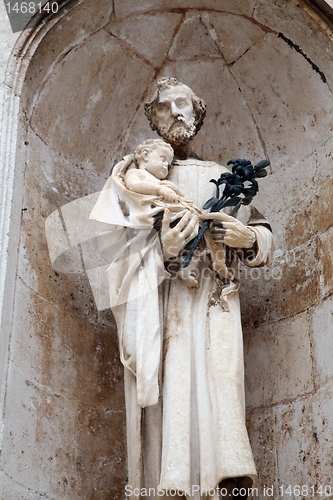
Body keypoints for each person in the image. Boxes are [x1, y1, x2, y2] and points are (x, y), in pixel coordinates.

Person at [90, 77, 274, 499]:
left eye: (184, 104)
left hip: (216, 300)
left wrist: (250, 241)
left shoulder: (223, 177)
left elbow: (262, 232)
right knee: (173, 385)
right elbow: (111, 261)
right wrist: (164, 252)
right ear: (153, 120)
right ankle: (171, 480)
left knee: (220, 377)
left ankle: (224, 476)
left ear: (197, 113)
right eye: (165, 106)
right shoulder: (135, 180)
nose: (176, 112)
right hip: (163, 300)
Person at [126, 137, 201, 288]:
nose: (167, 165)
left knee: (193, 232)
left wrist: (176, 192)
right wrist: (159, 189)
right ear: (146, 155)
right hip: (151, 216)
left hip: (168, 217)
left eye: (169, 163)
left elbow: (180, 197)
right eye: (162, 159)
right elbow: (133, 185)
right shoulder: (136, 173)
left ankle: (184, 267)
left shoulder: (162, 183)